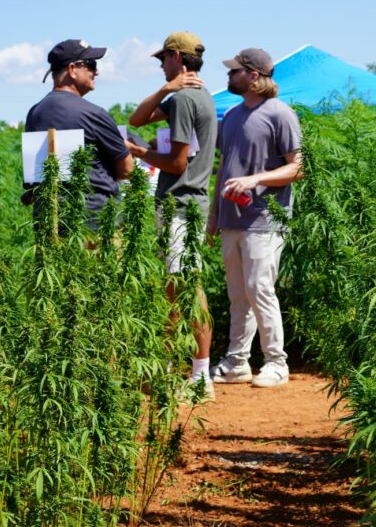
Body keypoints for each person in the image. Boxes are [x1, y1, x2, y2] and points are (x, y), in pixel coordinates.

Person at [127, 31, 218, 398]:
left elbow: (177, 163)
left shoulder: (184, 100)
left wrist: (137, 152)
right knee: (176, 287)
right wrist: (165, 90)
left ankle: (199, 377)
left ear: (177, 59)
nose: (161, 66)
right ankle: (179, 369)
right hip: (186, 204)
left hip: (182, 205)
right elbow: (138, 117)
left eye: (163, 59)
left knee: (186, 289)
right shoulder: (196, 96)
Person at [207, 49, 302, 388]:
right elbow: (224, 169)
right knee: (237, 294)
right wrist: (214, 214)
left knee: (258, 288)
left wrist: (255, 179)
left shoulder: (280, 113)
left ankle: (277, 363)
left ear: (254, 75)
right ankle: (237, 363)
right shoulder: (231, 116)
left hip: (265, 218)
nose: (229, 77)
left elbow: (297, 167)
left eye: (235, 72)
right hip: (232, 219)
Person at [24, 39, 133, 228]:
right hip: (95, 223)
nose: (96, 72)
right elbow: (127, 169)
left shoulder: (35, 113)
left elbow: (35, 176)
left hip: (49, 221)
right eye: (91, 65)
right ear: (72, 69)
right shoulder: (93, 114)